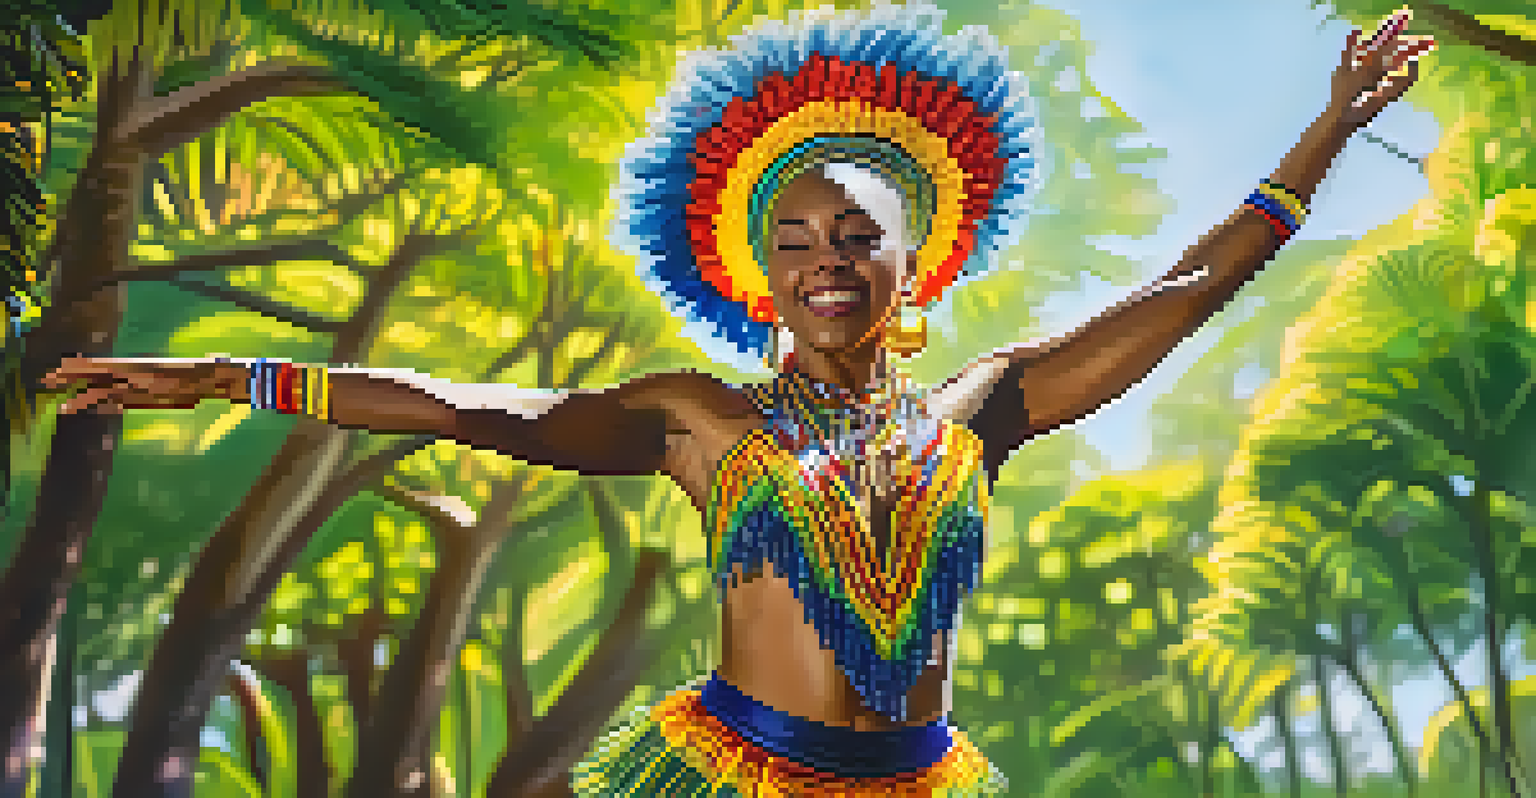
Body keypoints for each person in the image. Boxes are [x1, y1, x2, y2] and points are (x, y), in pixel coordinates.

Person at [42, 3, 1432, 794]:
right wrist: (232, 374)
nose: (827, 260)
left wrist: (1329, 126)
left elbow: (1185, 290)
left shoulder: (982, 410)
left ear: (913, 260)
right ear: (760, 273)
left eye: (857, 237)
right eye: (797, 239)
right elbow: (476, 408)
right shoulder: (698, 420)